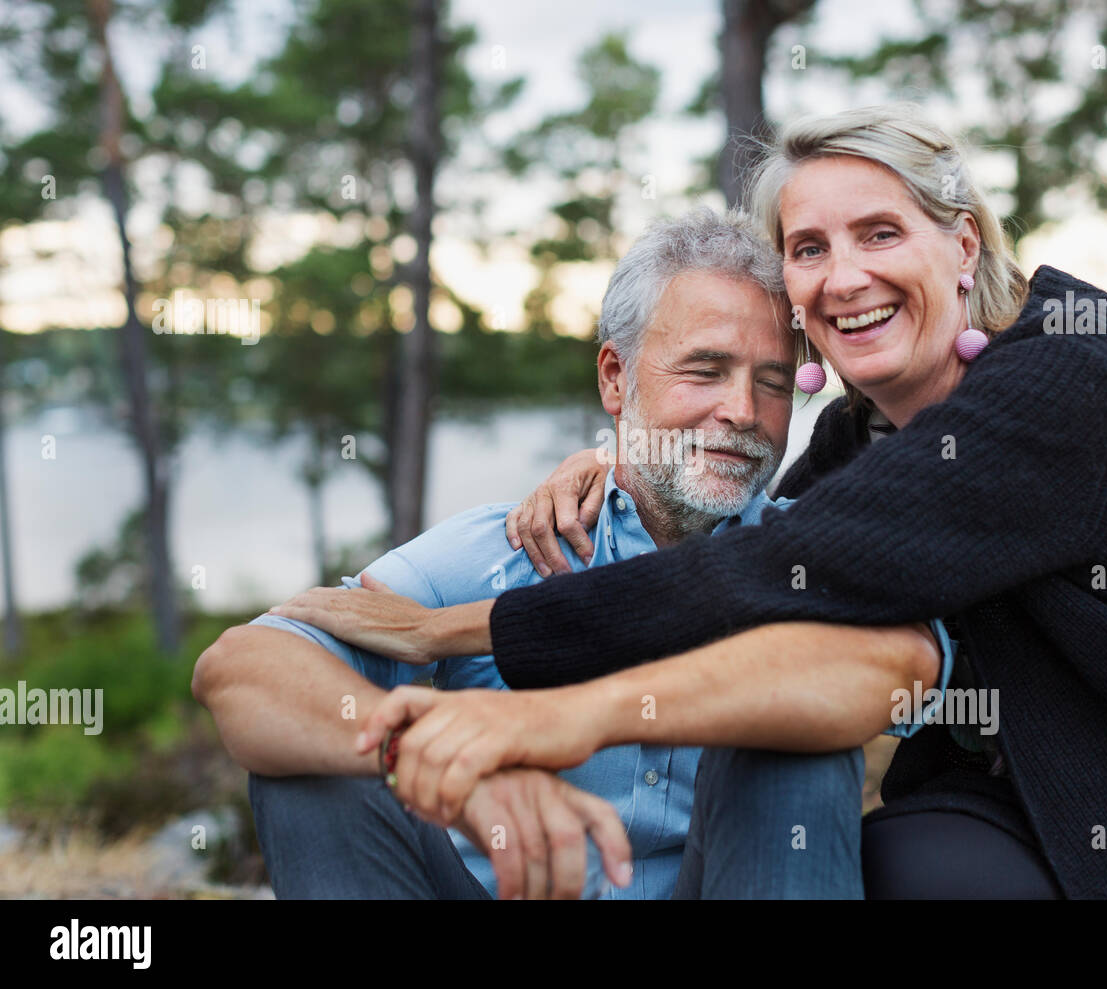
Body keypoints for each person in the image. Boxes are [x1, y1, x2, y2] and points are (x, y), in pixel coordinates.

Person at [290, 104, 1107, 900]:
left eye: (878, 232)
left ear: (960, 245)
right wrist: (613, 459)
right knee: (903, 865)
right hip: (1048, 806)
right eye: (808, 248)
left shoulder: (1072, 372)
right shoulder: (859, 439)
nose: (842, 274)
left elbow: (780, 562)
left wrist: (465, 635)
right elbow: (745, 542)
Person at [192, 205, 951, 900]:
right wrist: (443, 767)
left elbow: (905, 674)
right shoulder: (512, 546)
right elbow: (239, 668)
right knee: (314, 764)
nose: (742, 412)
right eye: (706, 369)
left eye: (774, 381)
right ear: (616, 378)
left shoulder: (810, 554)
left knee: (797, 734)